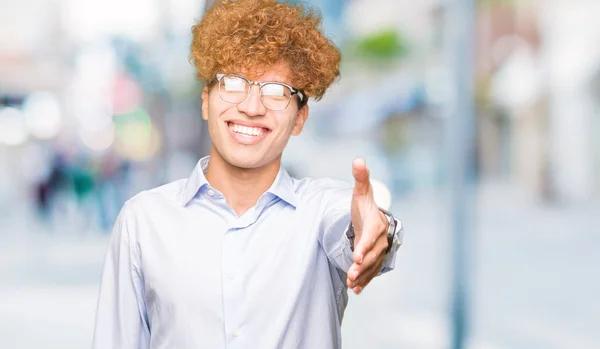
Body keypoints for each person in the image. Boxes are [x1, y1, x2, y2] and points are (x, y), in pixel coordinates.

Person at [92, 0, 403, 348]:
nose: (252, 107)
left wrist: (379, 232)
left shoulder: (320, 211)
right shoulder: (143, 222)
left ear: (299, 118)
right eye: (234, 83)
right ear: (206, 101)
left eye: (276, 92)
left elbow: (356, 227)